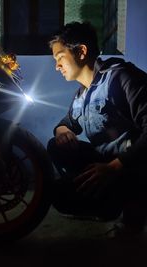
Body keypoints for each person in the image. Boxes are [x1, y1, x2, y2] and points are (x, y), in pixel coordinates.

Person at [47, 21, 147, 235]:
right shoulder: (81, 94)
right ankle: (104, 199)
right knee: (55, 150)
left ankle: (128, 207)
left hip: (130, 167)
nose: (57, 66)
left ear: (81, 52)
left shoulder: (121, 77)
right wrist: (62, 130)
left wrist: (114, 167)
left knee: (64, 194)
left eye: (60, 58)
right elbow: (67, 122)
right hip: (107, 165)